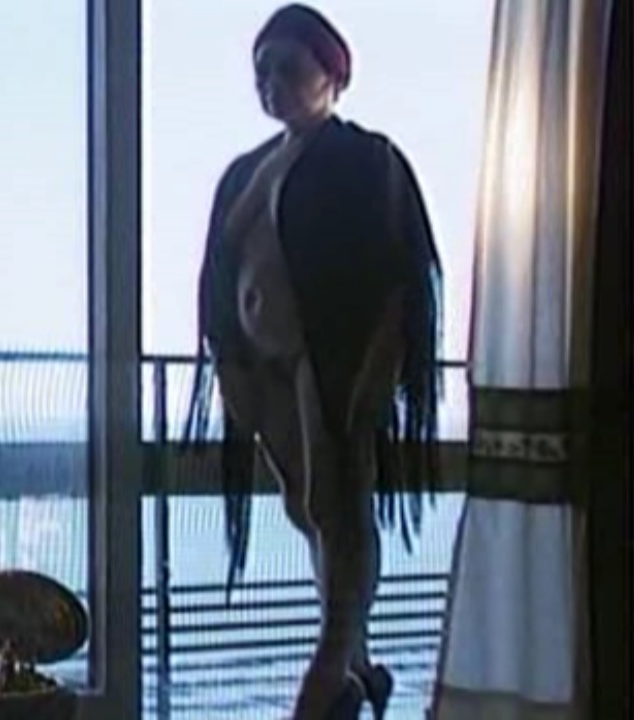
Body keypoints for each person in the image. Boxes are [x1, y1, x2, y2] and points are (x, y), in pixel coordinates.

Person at [184, 5, 443, 719]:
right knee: (309, 509)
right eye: (261, 71)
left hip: (329, 368)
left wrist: (378, 372)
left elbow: (402, 279)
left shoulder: (368, 161)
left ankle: (330, 665)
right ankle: (358, 666)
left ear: (332, 75)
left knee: (339, 507)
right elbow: (217, 275)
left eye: (288, 68)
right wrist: (229, 365)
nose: (271, 83)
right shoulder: (245, 172)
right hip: (262, 368)